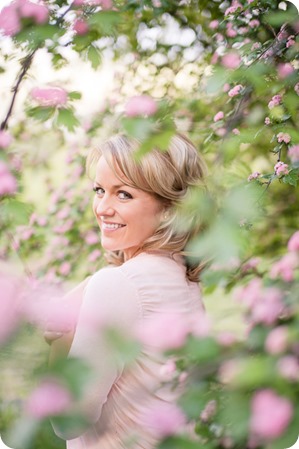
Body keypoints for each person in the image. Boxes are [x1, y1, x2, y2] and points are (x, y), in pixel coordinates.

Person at [46, 133, 207, 449]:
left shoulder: (120, 285)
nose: (103, 208)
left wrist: (61, 339)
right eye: (99, 190)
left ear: (168, 208)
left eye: (124, 195)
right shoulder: (182, 278)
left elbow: (68, 422)